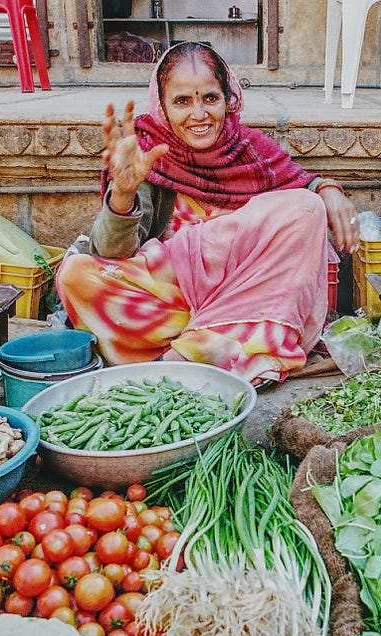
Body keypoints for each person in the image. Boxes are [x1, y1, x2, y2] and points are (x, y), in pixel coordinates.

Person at [56, 41, 359, 384]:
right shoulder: (147, 152)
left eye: (210, 98)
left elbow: (300, 190)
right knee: (75, 274)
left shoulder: (250, 150)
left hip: (245, 293)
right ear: (163, 107)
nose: (199, 114)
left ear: (228, 100)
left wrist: (327, 189)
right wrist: (124, 193)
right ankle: (218, 341)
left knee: (306, 208)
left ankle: (196, 348)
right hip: (177, 301)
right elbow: (111, 253)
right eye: (183, 101)